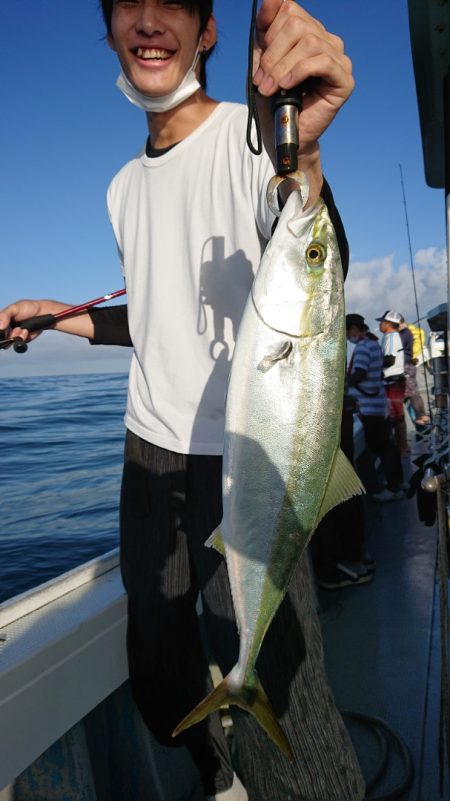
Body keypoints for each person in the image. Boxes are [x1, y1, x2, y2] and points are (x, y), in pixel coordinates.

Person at [0, 3, 365, 800]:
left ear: (207, 31)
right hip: (148, 452)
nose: (148, 16)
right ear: (109, 33)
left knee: (288, 692)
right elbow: (152, 318)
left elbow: (312, 250)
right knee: (158, 670)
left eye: (174, 1)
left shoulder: (252, 136)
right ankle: (219, 779)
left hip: (252, 451)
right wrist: (56, 317)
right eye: (128, 1)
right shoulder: (121, 187)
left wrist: (303, 156)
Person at [346, 313, 404, 502]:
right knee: (386, 447)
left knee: (381, 448)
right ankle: (397, 482)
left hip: (369, 409)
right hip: (377, 406)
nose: (347, 337)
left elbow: (360, 374)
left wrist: (341, 384)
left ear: (354, 329)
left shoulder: (363, 347)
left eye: (347, 332)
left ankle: (392, 488)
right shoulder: (373, 344)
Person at [375, 309, 408, 458]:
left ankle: (402, 449)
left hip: (393, 381)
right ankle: (403, 447)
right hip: (394, 381)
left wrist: (373, 366)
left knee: (397, 416)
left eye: (382, 322)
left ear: (388, 324)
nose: (380, 325)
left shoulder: (391, 337)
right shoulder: (392, 336)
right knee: (396, 415)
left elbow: (390, 359)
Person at [399, 315, 429, 425]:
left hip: (408, 364)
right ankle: (422, 416)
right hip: (414, 363)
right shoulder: (415, 330)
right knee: (414, 392)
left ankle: (420, 417)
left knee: (411, 393)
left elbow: (411, 349)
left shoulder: (406, 332)